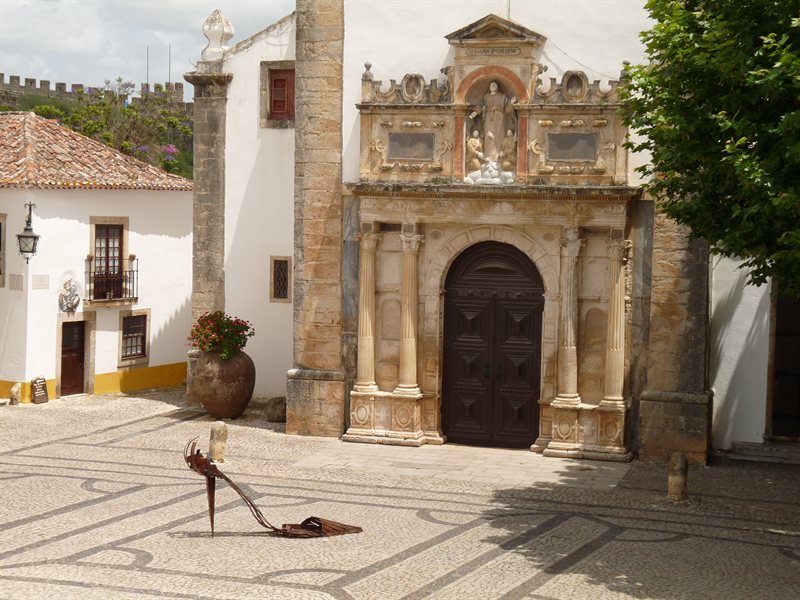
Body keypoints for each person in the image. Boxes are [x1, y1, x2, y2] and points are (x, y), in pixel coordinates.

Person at [469, 81, 516, 161]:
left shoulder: (502, 96)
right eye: (491, 85)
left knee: (499, 137)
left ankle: (498, 156)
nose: (493, 86)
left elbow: (507, 110)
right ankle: (488, 155)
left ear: (497, 87)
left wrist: (511, 104)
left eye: (494, 84)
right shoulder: (486, 97)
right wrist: (475, 112)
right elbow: (481, 106)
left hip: (500, 119)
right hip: (488, 119)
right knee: (488, 136)